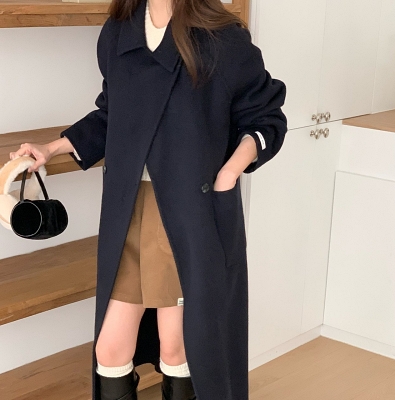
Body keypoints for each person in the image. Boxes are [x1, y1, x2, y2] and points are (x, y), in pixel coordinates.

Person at [9, 0, 287, 399]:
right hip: (128, 209)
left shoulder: (222, 37)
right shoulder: (119, 30)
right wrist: (52, 148)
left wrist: (228, 174)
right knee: (109, 349)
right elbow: (113, 113)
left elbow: (265, 117)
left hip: (188, 212)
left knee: (178, 347)